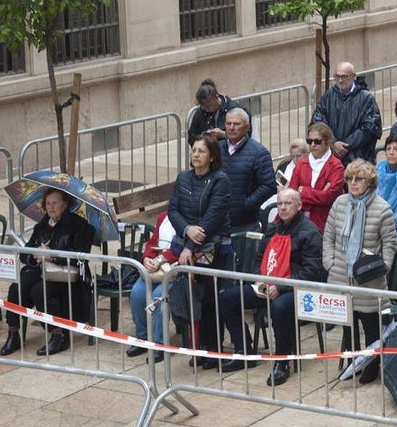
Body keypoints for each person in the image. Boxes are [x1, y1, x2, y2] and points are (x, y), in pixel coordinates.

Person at [217, 187, 325, 385]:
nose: (282, 208)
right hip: (267, 285)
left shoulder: (310, 233)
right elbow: (260, 259)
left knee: (279, 307)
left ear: (299, 206)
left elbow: (312, 271)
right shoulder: (273, 228)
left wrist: (281, 287)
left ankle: (282, 361)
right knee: (226, 298)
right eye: (280, 203)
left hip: (296, 289)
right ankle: (244, 350)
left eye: (288, 203)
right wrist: (259, 280)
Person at [322, 159, 397, 365]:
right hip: (340, 274)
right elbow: (328, 236)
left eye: (358, 179)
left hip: (368, 279)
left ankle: (371, 366)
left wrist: (383, 268)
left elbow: (390, 244)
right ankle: (352, 363)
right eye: (349, 179)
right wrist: (330, 262)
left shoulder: (382, 209)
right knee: (348, 326)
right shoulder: (339, 203)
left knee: (371, 327)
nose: (353, 183)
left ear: (370, 182)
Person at [167, 134, 234, 362]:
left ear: (212, 156)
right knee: (193, 299)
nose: (196, 155)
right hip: (190, 244)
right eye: (194, 150)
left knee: (211, 300)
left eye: (201, 151)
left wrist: (190, 244)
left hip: (215, 248)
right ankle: (199, 348)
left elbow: (213, 217)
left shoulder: (220, 180)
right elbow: (173, 209)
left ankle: (215, 349)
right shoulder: (184, 178)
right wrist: (186, 229)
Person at [16, 187, 96, 357]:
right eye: (48, 204)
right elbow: (25, 254)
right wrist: (35, 256)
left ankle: (58, 335)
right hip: (43, 272)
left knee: (40, 290)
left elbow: (79, 258)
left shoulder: (80, 226)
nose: (51, 207)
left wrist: (52, 256)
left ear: (65, 204)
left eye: (55, 203)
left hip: (70, 278)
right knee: (18, 286)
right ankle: (14, 331)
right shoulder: (42, 226)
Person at [127, 210, 176, 361]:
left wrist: (161, 259)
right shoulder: (163, 216)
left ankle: (160, 343)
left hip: (174, 270)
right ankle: (142, 337)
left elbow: (182, 247)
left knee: (159, 297)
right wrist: (147, 258)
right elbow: (153, 242)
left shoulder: (192, 217)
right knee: (136, 294)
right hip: (156, 267)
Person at [311, 61, 382, 164]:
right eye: (337, 77)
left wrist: (345, 145)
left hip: (358, 158)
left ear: (353, 76)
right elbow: (318, 121)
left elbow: (370, 127)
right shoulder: (329, 95)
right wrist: (333, 142)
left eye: (344, 77)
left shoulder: (366, 98)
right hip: (332, 157)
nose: (340, 80)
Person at [219, 108, 277, 232]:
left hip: (245, 224)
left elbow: (269, 185)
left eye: (236, 124)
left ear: (247, 127)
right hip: (218, 221)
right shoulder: (216, 149)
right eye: (228, 124)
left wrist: (246, 204)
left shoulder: (259, 152)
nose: (231, 127)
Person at [288, 123, 346, 234]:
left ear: (328, 142)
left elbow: (328, 197)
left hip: (326, 225)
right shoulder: (301, 164)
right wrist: (319, 194)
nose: (313, 145)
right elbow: (293, 194)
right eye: (309, 141)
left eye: (317, 141)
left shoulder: (336, 166)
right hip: (301, 223)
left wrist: (303, 191)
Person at [187, 79, 244, 146]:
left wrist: (223, 134)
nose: (206, 108)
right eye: (203, 105)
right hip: (209, 150)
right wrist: (203, 137)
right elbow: (191, 136)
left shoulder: (233, 109)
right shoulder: (201, 111)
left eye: (209, 105)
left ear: (217, 97)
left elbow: (244, 135)